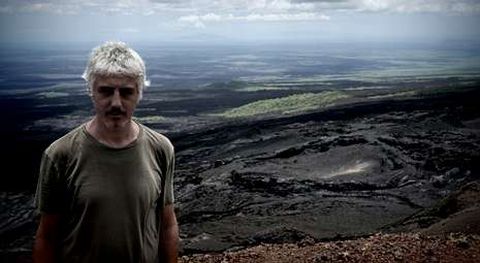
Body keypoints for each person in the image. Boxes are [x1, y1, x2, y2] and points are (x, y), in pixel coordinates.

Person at [33, 41, 178, 263]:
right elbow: (47, 236)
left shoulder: (160, 149)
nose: (116, 103)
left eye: (127, 92)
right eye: (106, 91)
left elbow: (167, 224)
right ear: (91, 91)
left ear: (140, 93)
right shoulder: (60, 154)